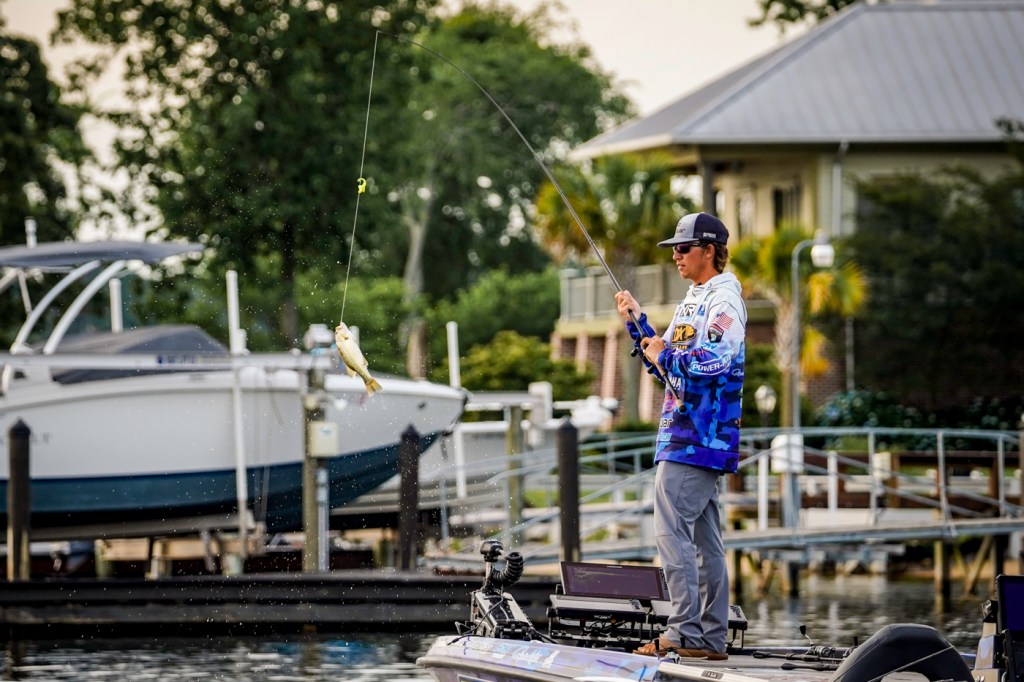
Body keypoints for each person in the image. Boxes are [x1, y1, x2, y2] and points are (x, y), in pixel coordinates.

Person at [614, 211, 746, 661]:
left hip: (700, 438)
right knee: (705, 544)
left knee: (671, 532)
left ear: (709, 251)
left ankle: (684, 632)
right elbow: (666, 364)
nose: (676, 255)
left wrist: (665, 355)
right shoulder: (693, 299)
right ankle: (709, 640)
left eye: (684, 247)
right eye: (674, 248)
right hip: (684, 435)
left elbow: (714, 360)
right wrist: (638, 323)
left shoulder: (725, 299)